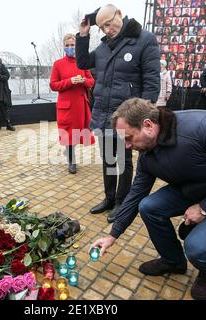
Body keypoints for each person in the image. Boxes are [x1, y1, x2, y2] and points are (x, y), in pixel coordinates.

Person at [91, 98, 206, 300]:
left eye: (128, 138)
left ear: (148, 125)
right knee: (148, 206)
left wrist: (204, 208)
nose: (127, 146)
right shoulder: (147, 153)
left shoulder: (205, 126)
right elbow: (136, 194)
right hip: (195, 190)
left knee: (197, 247)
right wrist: (113, 235)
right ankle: (173, 261)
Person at [76, 4, 160, 223]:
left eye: (108, 24)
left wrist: (141, 117)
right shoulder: (104, 48)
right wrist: (83, 35)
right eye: (101, 27)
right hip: (103, 114)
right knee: (107, 160)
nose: (106, 30)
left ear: (119, 15)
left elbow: (151, 83)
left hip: (127, 118)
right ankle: (109, 198)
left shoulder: (144, 40)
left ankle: (123, 202)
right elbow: (83, 62)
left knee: (123, 161)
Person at [49, 34, 95, 174]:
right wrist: (70, 81)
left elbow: (91, 82)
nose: (70, 48)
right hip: (67, 107)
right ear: (64, 47)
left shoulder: (83, 63)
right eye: (67, 45)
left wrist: (82, 81)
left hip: (81, 106)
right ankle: (72, 161)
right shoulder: (58, 64)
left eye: (72, 45)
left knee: (78, 134)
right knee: (69, 135)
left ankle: (69, 154)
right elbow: (53, 85)